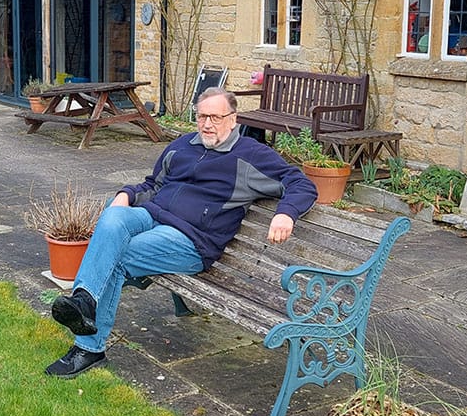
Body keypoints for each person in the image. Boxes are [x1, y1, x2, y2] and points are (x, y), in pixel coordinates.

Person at [46, 86, 318, 378]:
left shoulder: (251, 155)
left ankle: (88, 347)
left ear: (233, 119)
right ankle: (84, 301)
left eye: (215, 117)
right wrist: (126, 194)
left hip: (190, 241)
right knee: (113, 216)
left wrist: (285, 213)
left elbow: (301, 183)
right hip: (152, 217)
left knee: (116, 256)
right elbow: (153, 185)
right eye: (202, 116)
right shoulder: (183, 145)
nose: (207, 124)